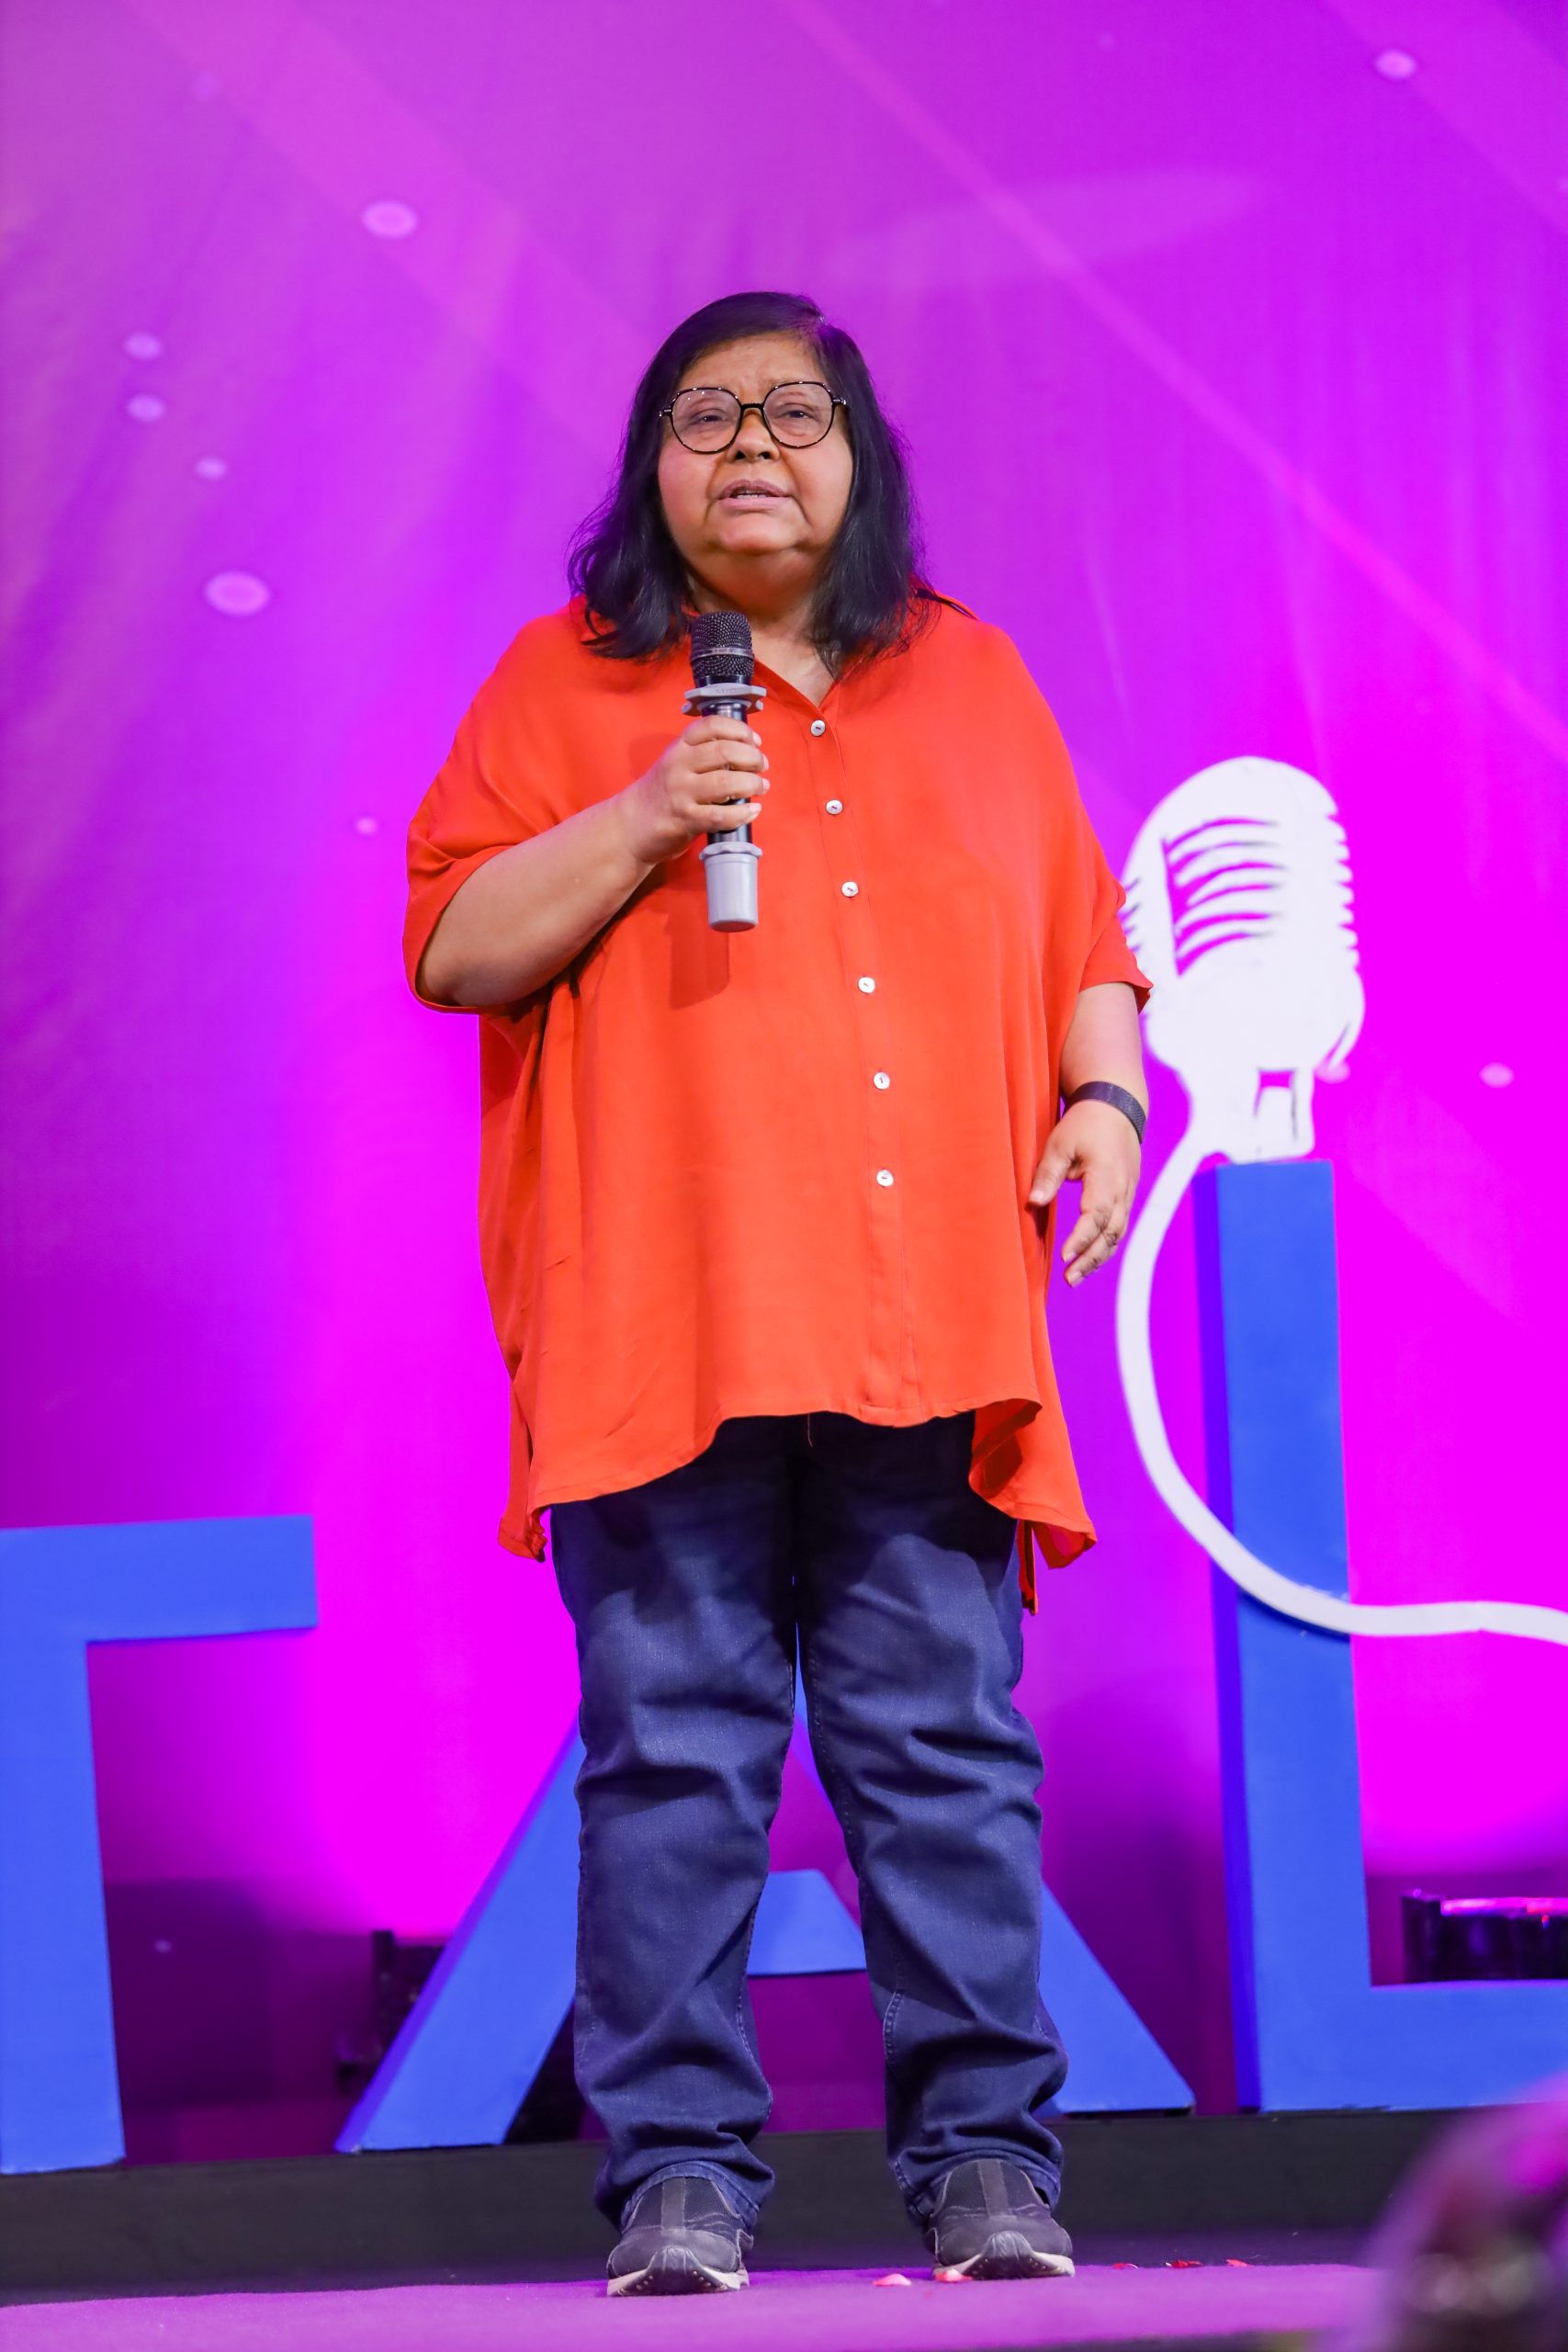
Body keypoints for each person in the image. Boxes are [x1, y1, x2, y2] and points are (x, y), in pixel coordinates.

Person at [403, 289, 1153, 2296]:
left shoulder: (967, 674)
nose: (750, 445)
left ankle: (989, 2166)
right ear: (650, 460)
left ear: (861, 454)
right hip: (667, 1312)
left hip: (922, 1310)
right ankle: (676, 2179)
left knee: (944, 1754)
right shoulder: (563, 682)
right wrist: (653, 809)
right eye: (706, 412)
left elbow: (1084, 934)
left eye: (793, 413)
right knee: (674, 1760)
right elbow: (456, 945)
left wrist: (1102, 1096)